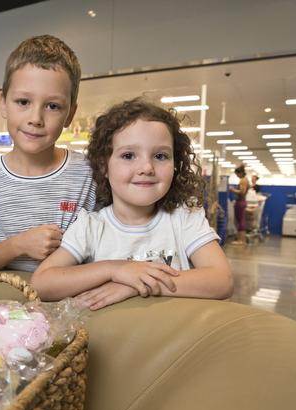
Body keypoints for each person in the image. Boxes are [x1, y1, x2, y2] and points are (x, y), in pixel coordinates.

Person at [31, 98, 233, 310]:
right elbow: (42, 283)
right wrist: (115, 270)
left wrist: (136, 285)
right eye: (128, 155)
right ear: (104, 166)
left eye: (160, 156)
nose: (146, 167)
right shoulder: (91, 226)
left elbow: (222, 280)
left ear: (175, 164)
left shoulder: (184, 217)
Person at [0, 35, 96, 272]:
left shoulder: (89, 174)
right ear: (4, 104)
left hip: (74, 303)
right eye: (23, 102)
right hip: (4, 304)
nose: (35, 119)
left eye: (53, 106)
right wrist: (18, 245)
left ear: (70, 114)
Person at [230, 165, 249, 245]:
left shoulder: (243, 180)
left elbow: (242, 192)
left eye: (237, 174)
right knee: (240, 220)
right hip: (242, 202)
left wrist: (232, 190)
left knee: (240, 221)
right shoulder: (245, 180)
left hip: (240, 202)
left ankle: (241, 240)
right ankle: (241, 239)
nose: (237, 176)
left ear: (240, 173)